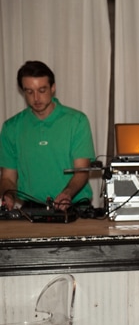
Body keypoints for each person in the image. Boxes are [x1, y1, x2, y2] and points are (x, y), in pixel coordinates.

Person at [0, 60, 95, 211]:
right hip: (31, 209)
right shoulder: (11, 127)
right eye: (29, 92)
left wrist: (67, 194)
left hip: (74, 207)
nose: (36, 98)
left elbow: (82, 171)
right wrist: (8, 195)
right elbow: (8, 177)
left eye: (42, 90)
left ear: (53, 88)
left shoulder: (77, 121)